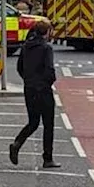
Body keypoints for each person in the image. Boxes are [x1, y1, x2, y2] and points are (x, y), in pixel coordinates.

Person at [10, 19, 60, 169]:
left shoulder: (26, 47)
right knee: (48, 124)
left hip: (29, 88)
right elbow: (49, 70)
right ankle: (47, 158)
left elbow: (19, 67)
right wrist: (47, 82)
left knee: (33, 122)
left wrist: (28, 80)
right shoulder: (46, 48)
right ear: (47, 32)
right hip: (43, 90)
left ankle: (17, 143)